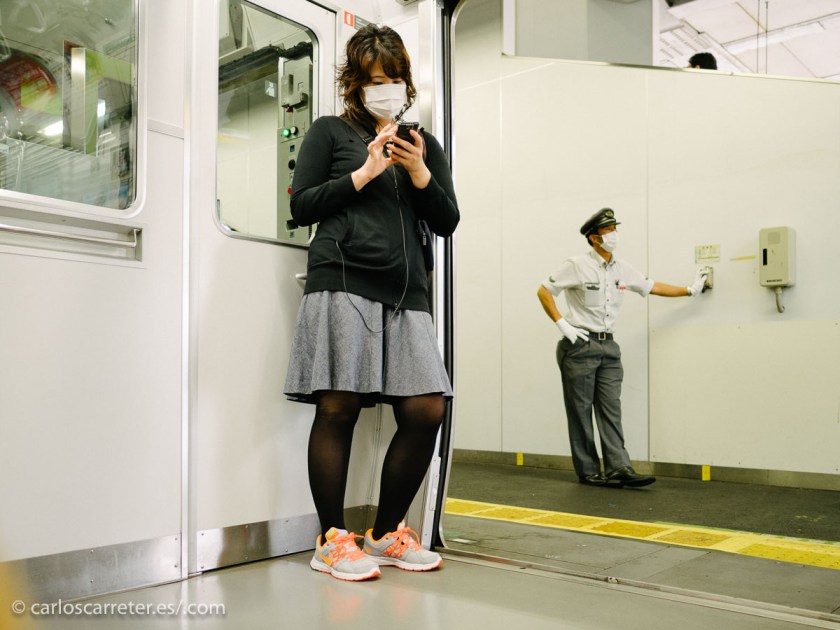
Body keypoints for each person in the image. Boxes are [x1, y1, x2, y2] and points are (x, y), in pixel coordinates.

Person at [284, 24, 459, 581]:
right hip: (342, 279)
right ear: (355, 85)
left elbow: (448, 220)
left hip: (407, 294)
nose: (385, 88)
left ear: (407, 83)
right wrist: (365, 172)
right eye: (374, 80)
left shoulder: (421, 143)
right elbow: (303, 206)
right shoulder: (330, 132)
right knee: (339, 406)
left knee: (426, 406)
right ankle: (332, 540)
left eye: (394, 78)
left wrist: (418, 171)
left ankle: (385, 533)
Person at [536, 208, 707, 489]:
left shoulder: (621, 268)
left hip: (609, 347)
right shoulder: (577, 265)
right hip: (579, 345)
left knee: (610, 408)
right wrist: (562, 325)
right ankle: (588, 471)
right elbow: (544, 291)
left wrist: (690, 290)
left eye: (615, 228)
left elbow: (652, 286)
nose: (614, 234)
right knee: (580, 411)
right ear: (593, 238)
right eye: (608, 230)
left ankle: (618, 467)